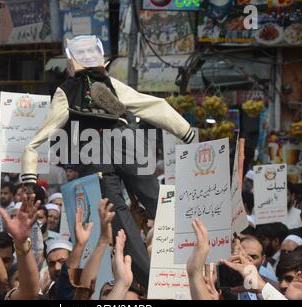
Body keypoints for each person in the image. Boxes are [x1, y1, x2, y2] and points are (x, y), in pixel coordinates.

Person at [20, 35, 195, 289]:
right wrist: (185, 130)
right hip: (128, 143)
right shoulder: (110, 84)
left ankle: (153, 283)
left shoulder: (65, 91)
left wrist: (30, 175)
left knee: (119, 217)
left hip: (93, 154)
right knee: (158, 200)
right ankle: (192, 256)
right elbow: (152, 105)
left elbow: (40, 137)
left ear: (71, 63)